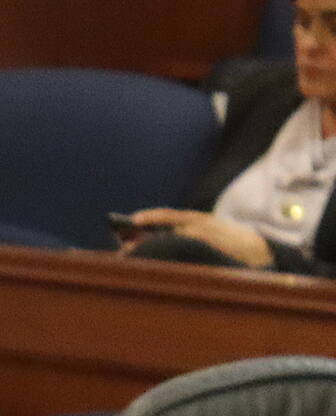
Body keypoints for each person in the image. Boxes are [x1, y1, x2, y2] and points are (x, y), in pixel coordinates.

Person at [123, 3, 336, 274]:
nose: (309, 44)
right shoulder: (263, 95)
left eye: (334, 27)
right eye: (303, 23)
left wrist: (267, 254)